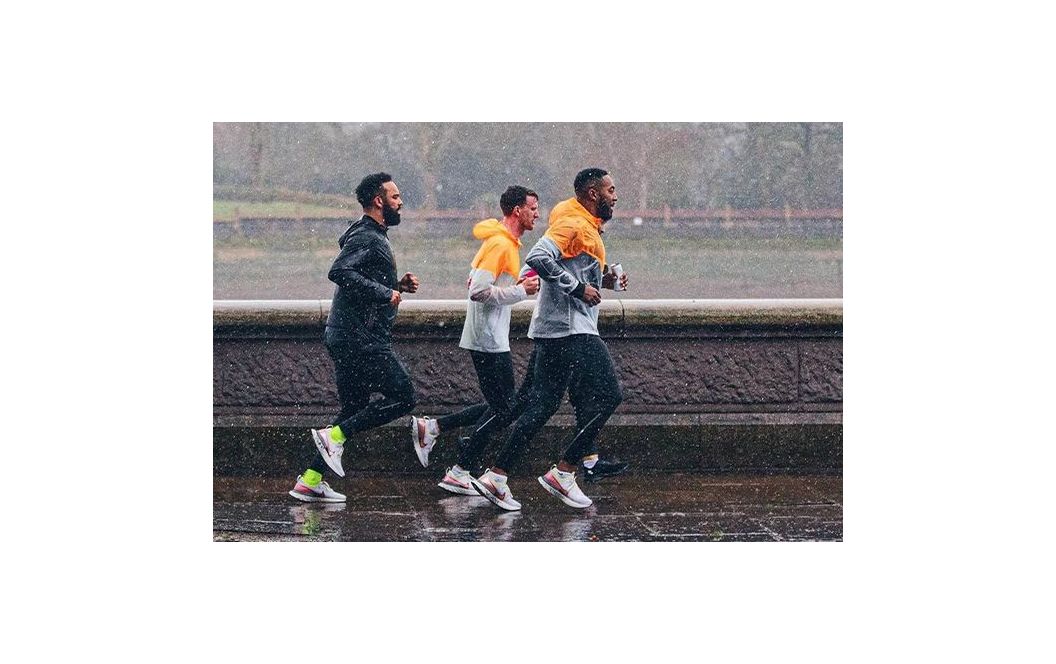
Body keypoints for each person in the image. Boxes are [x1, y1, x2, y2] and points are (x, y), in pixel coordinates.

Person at [473, 168, 628, 511]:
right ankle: (565, 470)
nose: (615, 196)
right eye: (610, 190)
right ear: (592, 193)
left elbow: (571, 271)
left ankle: (496, 477)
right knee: (609, 395)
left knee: (540, 406)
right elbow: (538, 258)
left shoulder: (584, 227)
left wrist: (604, 280)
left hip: (555, 329)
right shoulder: (573, 223)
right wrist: (578, 288)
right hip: (571, 329)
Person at [288, 172, 420, 503]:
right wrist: (384, 292)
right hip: (361, 339)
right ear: (379, 201)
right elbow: (341, 272)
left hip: (346, 335)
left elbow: (360, 277)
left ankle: (311, 479)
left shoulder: (369, 233)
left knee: (355, 406)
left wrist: (396, 286)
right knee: (404, 397)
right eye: (395, 197)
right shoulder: (368, 236)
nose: (400, 202)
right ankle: (333, 436)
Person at [407, 186, 540, 503]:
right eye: (533, 208)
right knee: (507, 409)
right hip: (488, 340)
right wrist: (522, 292)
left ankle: (437, 431)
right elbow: (478, 289)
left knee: (503, 406)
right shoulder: (499, 244)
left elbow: (476, 280)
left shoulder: (502, 243)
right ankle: (459, 468)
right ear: (517, 210)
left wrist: (517, 286)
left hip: (488, 337)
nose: (538, 214)